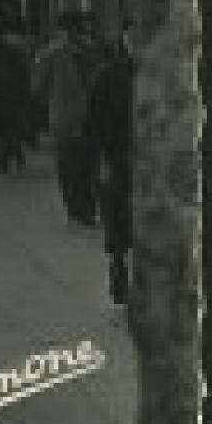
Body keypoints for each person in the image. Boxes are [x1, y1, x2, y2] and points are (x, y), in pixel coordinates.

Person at [34, 12, 105, 224]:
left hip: (68, 116)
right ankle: (83, 208)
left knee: (73, 164)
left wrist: (53, 100)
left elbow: (37, 87)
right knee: (82, 163)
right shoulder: (91, 51)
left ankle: (78, 208)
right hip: (79, 117)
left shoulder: (52, 54)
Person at [89, 27, 136, 304]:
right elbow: (93, 122)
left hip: (151, 162)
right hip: (118, 157)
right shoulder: (108, 76)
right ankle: (118, 266)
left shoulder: (162, 76)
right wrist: (102, 157)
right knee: (117, 217)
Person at [0, 18, 34, 174]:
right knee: (10, 128)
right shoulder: (13, 53)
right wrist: (25, 97)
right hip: (10, 98)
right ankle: (12, 154)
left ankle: (3, 158)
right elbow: (22, 77)